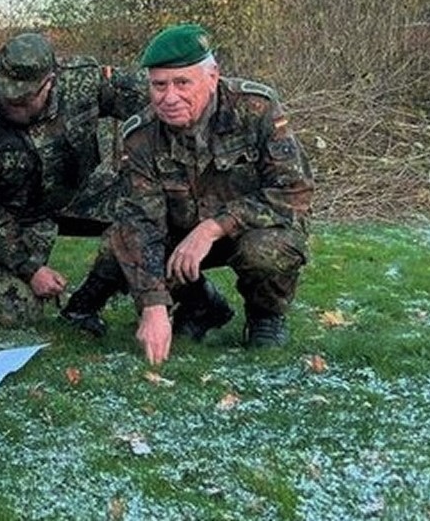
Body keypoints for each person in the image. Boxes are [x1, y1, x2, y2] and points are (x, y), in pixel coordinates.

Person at [89, 23, 314, 365]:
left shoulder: (256, 108)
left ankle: (265, 317)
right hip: (180, 234)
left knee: (266, 251)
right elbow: (140, 222)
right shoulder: (141, 136)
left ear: (212, 77)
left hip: (250, 231)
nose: (169, 97)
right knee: (124, 244)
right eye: (159, 85)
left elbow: (293, 191)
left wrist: (214, 227)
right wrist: (153, 307)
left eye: (182, 83)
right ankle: (200, 305)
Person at [0, 32, 149, 328]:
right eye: (7, 97)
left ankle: (192, 300)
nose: (14, 106)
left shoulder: (81, 81)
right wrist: (30, 268)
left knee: (150, 209)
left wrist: (143, 151)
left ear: (50, 82)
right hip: (17, 215)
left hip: (83, 194)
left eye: (24, 99)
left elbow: (159, 103)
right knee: (14, 317)